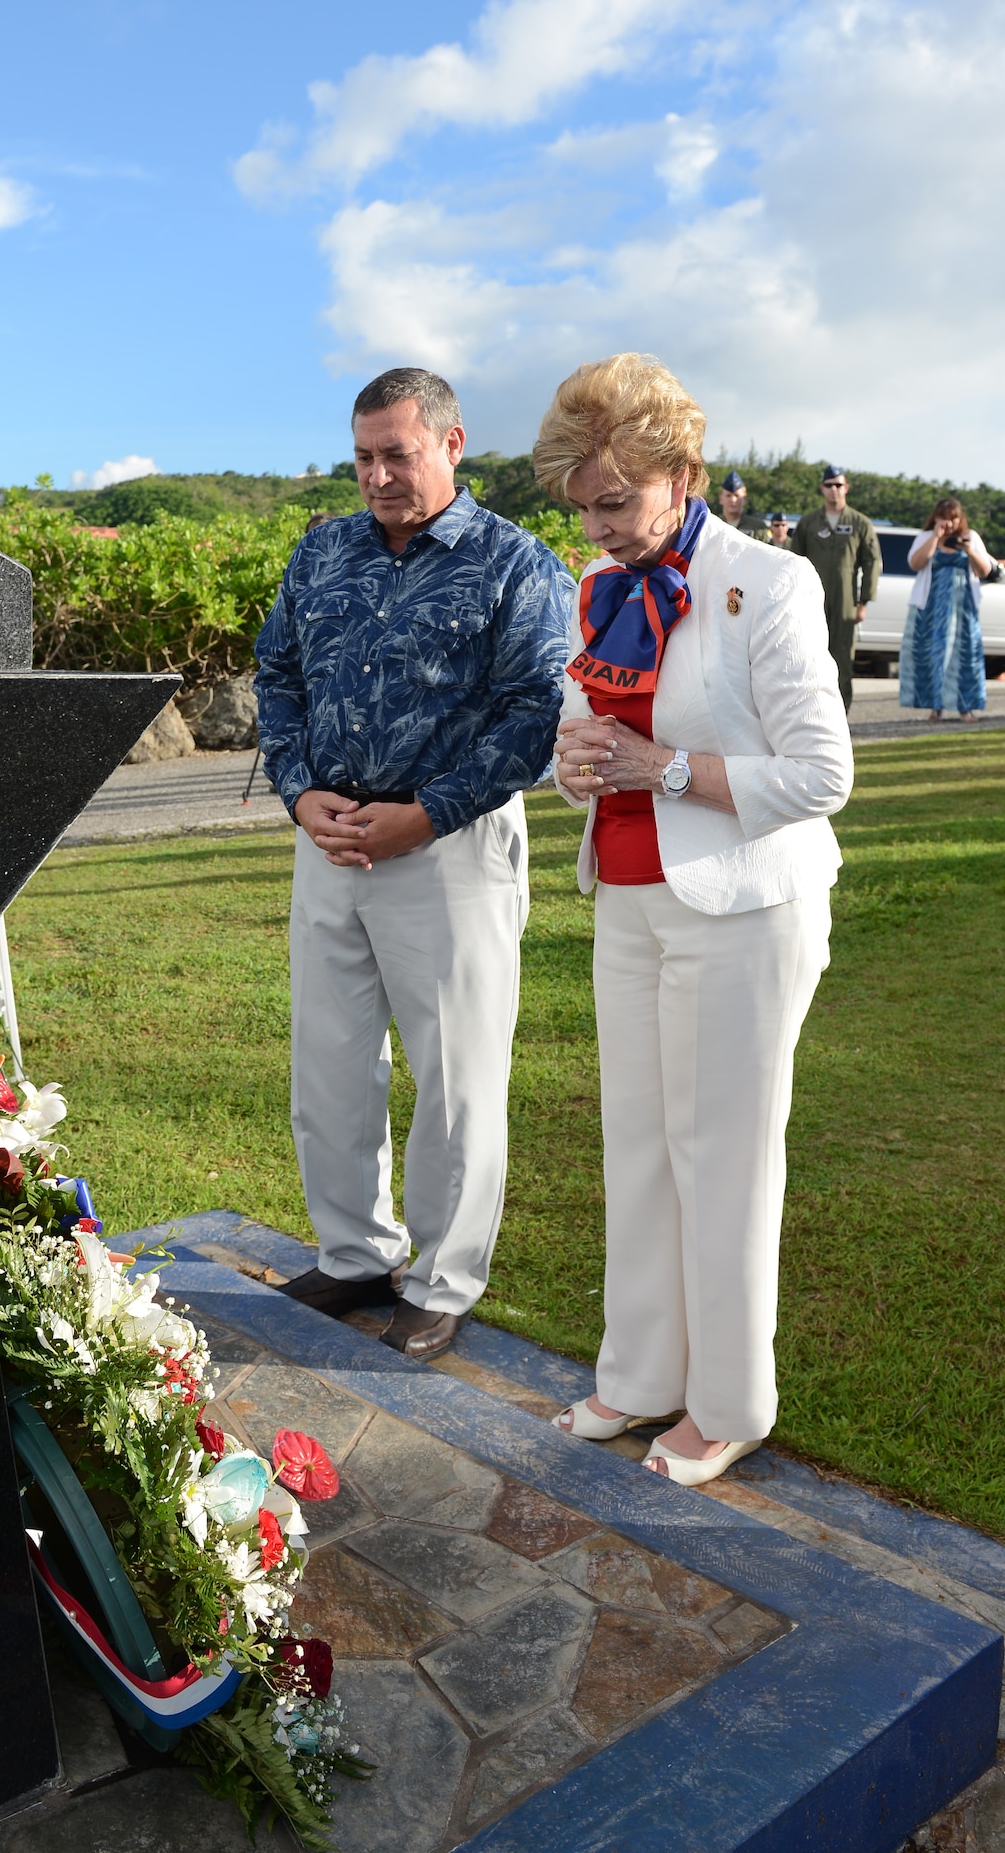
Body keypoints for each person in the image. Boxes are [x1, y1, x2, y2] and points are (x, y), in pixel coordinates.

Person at [536, 354, 852, 1486]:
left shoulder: (769, 580)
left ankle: (728, 1403)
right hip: (625, 896)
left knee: (723, 1154)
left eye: (616, 500)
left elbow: (822, 772)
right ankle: (639, 1372)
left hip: (746, 905)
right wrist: (578, 765)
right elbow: (590, 733)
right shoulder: (595, 585)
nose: (600, 524)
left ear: (685, 473)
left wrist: (657, 766)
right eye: (583, 504)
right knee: (640, 1146)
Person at [254, 367, 574, 1359]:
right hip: (330, 837)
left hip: (448, 849)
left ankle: (442, 1279)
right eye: (364, 456)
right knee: (332, 1064)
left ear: (452, 443)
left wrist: (424, 813)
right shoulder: (322, 551)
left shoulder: (515, 564)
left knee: (457, 1074)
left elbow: (538, 711)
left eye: (398, 452)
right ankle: (355, 1255)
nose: (379, 474)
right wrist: (301, 791)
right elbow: (277, 672)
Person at [788, 466, 882, 708]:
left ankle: (841, 714)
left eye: (838, 485)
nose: (833, 490)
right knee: (808, 655)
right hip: (811, 601)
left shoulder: (860, 524)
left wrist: (864, 601)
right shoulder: (809, 523)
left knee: (842, 658)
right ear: (822, 488)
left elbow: (872, 562)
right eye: (829, 485)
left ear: (846, 488)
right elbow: (793, 562)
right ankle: (810, 711)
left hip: (845, 602)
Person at [899, 497, 994, 722]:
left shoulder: (971, 538)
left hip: (963, 608)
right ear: (936, 517)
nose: (949, 523)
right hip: (931, 608)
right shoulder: (925, 537)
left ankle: (965, 706)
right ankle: (935, 706)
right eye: (944, 518)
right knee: (932, 654)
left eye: (953, 518)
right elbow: (915, 564)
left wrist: (970, 550)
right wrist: (935, 537)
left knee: (964, 655)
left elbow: (985, 571)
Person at [716, 469, 765, 538]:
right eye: (728, 495)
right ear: (721, 499)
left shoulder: (758, 527)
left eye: (737, 495)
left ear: (745, 498)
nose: (733, 500)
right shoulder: (714, 525)